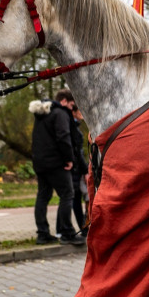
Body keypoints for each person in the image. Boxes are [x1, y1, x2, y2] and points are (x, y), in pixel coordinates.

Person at [30, 89, 84, 246]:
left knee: (43, 196)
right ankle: (67, 233)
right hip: (57, 163)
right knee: (67, 195)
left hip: (40, 162)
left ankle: (43, 234)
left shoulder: (42, 115)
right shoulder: (60, 113)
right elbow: (63, 137)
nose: (72, 108)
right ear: (65, 101)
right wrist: (69, 159)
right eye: (72, 104)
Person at [69, 106, 89, 237]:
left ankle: (84, 227)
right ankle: (84, 227)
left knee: (75, 199)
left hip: (75, 169)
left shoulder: (73, 127)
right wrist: (86, 170)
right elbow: (78, 153)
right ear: (74, 112)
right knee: (76, 199)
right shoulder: (73, 129)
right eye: (79, 111)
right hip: (76, 170)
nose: (82, 113)